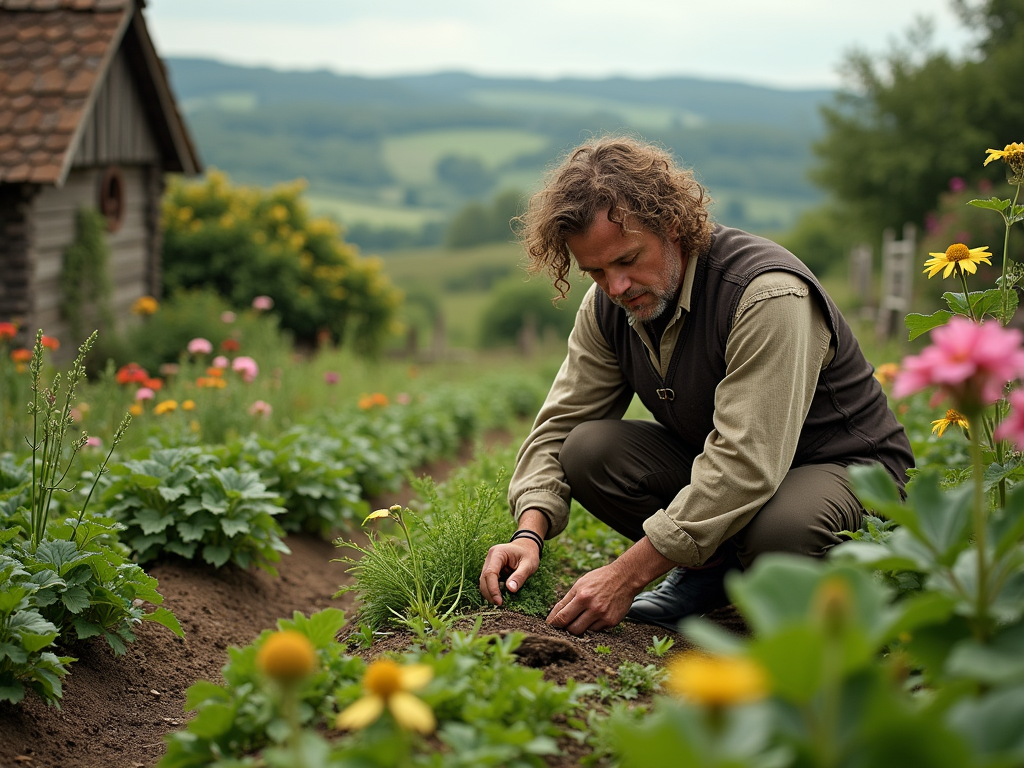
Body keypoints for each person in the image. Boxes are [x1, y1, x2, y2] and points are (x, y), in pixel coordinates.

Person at [477, 136, 913, 636]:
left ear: (674, 226)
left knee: (782, 531)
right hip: (741, 468)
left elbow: (745, 462)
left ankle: (815, 600)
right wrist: (528, 532)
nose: (615, 286)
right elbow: (560, 426)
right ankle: (715, 574)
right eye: (595, 271)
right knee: (589, 450)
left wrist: (627, 575)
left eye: (627, 259)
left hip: (841, 469)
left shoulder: (765, 294)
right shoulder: (608, 308)